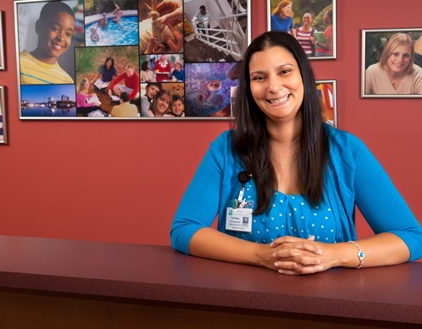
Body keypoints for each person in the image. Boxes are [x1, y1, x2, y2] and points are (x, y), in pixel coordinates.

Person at [170, 31, 422, 275]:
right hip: (243, 308)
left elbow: (409, 238)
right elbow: (184, 230)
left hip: (330, 309)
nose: (274, 86)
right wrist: (262, 255)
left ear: (304, 76)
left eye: (284, 72)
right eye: (259, 78)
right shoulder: (226, 149)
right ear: (248, 88)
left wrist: (334, 255)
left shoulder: (347, 151)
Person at [19, 1, 75, 84]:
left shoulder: (67, 81)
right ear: (38, 27)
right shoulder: (16, 63)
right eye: (55, 28)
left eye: (68, 34)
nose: (62, 38)